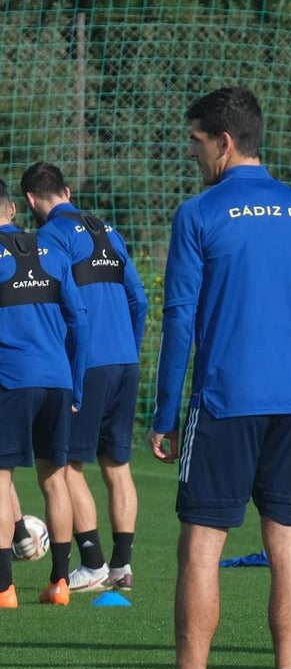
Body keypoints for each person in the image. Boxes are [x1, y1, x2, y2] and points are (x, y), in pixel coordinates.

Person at [131, 87, 291, 669]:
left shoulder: (199, 213)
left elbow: (179, 319)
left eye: (197, 144)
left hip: (225, 404)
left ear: (223, 141)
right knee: (288, 546)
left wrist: (165, 413)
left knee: (200, 549)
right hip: (290, 410)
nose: (194, 156)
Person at [21, 161, 148, 594]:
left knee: (68, 467)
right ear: (68, 191)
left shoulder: (49, 237)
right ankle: (122, 567)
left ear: (30, 201)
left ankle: (92, 563)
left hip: (87, 364)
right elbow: (140, 299)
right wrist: (130, 348)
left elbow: (60, 304)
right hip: (125, 363)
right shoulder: (109, 231)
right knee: (118, 465)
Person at [0, 178, 89, 608]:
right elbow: (80, 320)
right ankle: (60, 583)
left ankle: (4, 588)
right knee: (56, 479)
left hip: (11, 380)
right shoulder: (52, 250)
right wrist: (77, 379)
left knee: (0, 480)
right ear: (12, 208)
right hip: (57, 378)